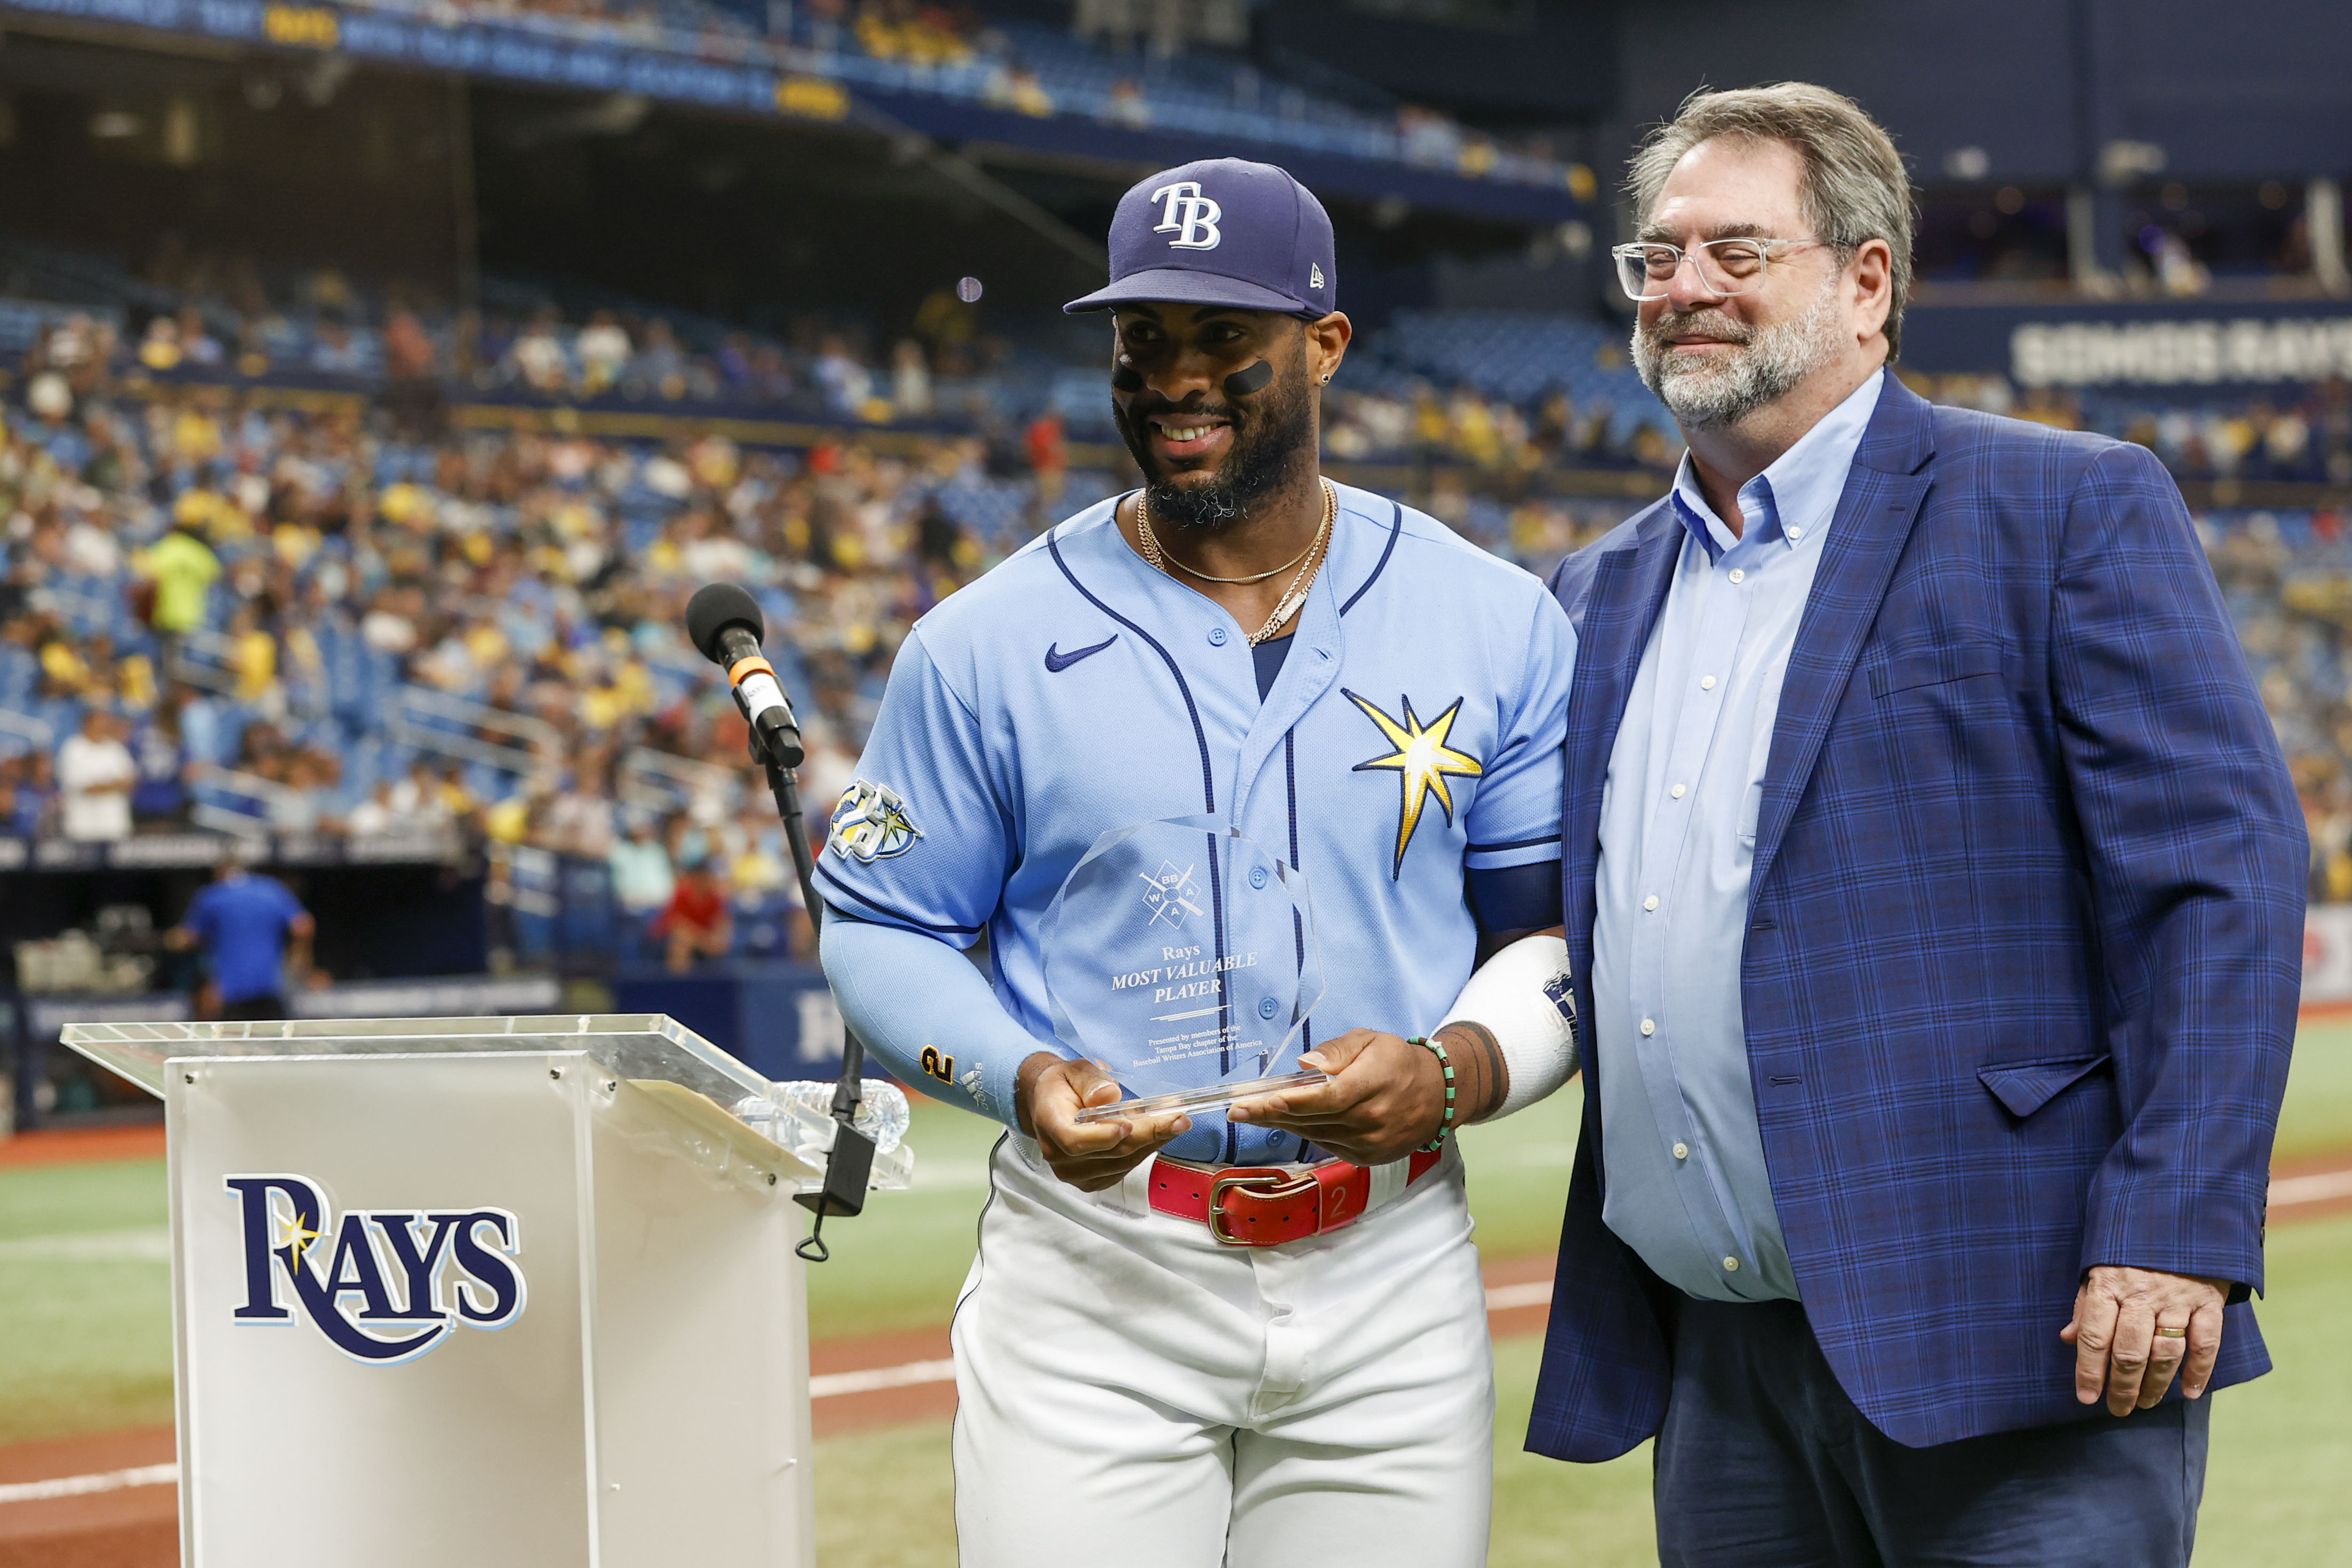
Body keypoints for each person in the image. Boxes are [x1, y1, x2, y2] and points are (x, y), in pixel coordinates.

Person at [1531, 84, 2306, 1565]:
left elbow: (2221, 877)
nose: (1684, 285)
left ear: (1866, 279)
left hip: (2020, 1327)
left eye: (1737, 252)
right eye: (1658, 255)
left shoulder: (2061, 505)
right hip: (1718, 1354)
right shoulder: (1591, 593)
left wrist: (2177, 1223)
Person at [817, 158, 1580, 1567]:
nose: (1178, 377)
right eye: (1143, 340)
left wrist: (1454, 1069)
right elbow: (877, 928)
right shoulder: (979, 642)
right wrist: (1024, 1075)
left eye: (1223, 338)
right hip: (1098, 1269)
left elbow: (1547, 939)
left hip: (1386, 1263)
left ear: (1324, 345)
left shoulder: (1495, 617)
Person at [167, 853, 314, 1022]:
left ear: (219, 873)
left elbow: (186, 938)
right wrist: (299, 964)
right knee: (270, 1041)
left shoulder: (211, 896)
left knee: (232, 1044)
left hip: (227, 990)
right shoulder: (272, 890)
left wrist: (169, 939)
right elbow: (303, 927)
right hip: (272, 985)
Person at [57, 708, 136, 842]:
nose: (104, 726)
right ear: (87, 723)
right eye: (100, 722)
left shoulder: (116, 749)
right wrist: (114, 785)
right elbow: (86, 788)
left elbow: (130, 783)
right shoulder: (73, 748)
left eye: (106, 722)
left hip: (114, 827)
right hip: (82, 829)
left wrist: (103, 785)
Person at [653, 850, 732, 972]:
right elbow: (676, 925)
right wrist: (704, 941)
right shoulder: (682, 892)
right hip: (670, 937)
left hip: (703, 939)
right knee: (681, 943)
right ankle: (678, 986)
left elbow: (722, 922)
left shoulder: (715, 897)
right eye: (706, 876)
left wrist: (715, 938)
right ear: (697, 877)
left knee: (720, 943)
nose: (710, 880)